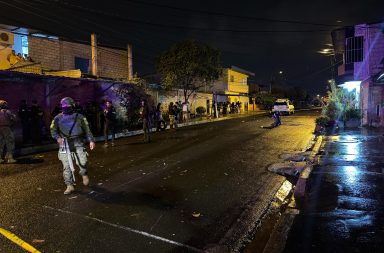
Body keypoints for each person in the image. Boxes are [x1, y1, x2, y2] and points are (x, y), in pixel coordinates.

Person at [50, 97, 95, 195]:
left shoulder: (80, 117)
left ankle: (84, 173)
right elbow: (53, 130)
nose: (66, 108)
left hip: (78, 142)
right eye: (64, 107)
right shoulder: (57, 118)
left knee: (83, 161)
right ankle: (69, 185)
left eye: (68, 106)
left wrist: (91, 140)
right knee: (67, 166)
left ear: (73, 106)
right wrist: (58, 138)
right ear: (62, 107)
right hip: (65, 144)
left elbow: (87, 129)